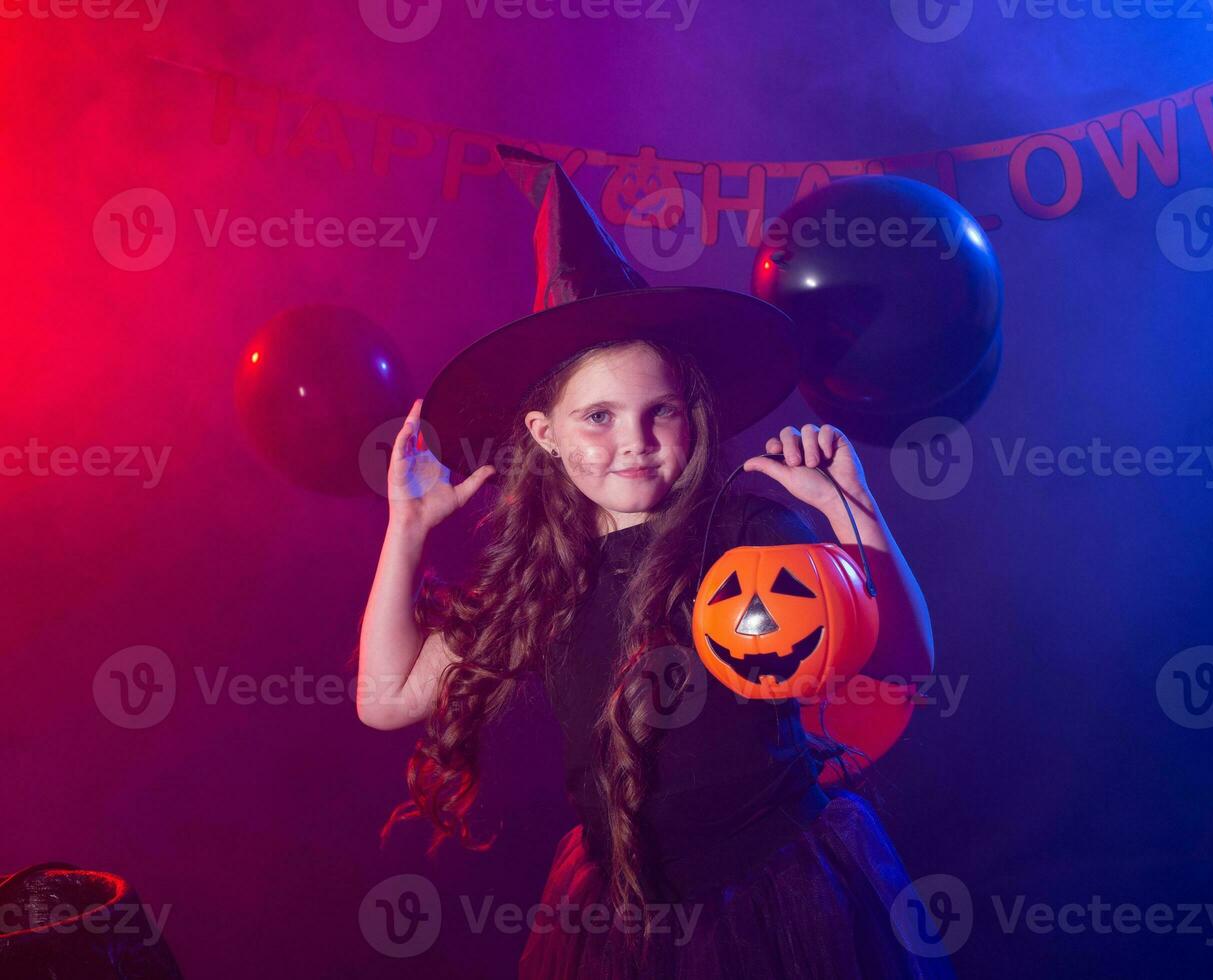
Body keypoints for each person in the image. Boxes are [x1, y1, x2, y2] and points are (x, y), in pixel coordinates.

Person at [355, 146, 956, 979]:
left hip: (773, 904)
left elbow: (903, 663)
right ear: (546, 435)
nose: (632, 443)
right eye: (597, 416)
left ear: (690, 416)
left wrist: (853, 511)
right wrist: (407, 530)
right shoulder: (543, 582)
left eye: (658, 411)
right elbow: (386, 701)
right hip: (623, 925)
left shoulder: (744, 532)